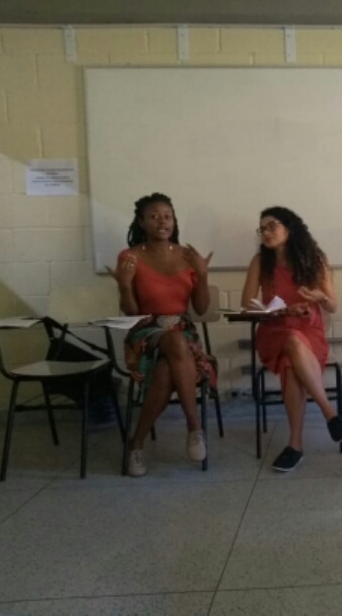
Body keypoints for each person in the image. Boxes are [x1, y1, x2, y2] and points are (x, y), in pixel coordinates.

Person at [107, 192, 215, 477]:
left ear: (174, 221)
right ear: (142, 222)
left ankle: (136, 443)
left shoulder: (187, 256)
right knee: (175, 341)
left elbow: (200, 309)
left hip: (182, 329)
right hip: (145, 331)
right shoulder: (130, 257)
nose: (162, 222)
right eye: (154, 217)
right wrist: (124, 286)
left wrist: (203, 275)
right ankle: (194, 427)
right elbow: (130, 312)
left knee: (167, 371)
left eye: (167, 216)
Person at [241, 206, 342, 472]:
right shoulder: (260, 262)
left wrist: (320, 297)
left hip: (309, 331)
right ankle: (329, 413)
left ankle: (295, 446)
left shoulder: (314, 258)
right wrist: (283, 311)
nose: (266, 233)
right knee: (290, 340)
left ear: (289, 227)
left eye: (272, 226)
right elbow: (247, 304)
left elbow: (333, 305)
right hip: (273, 330)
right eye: (262, 229)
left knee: (291, 364)